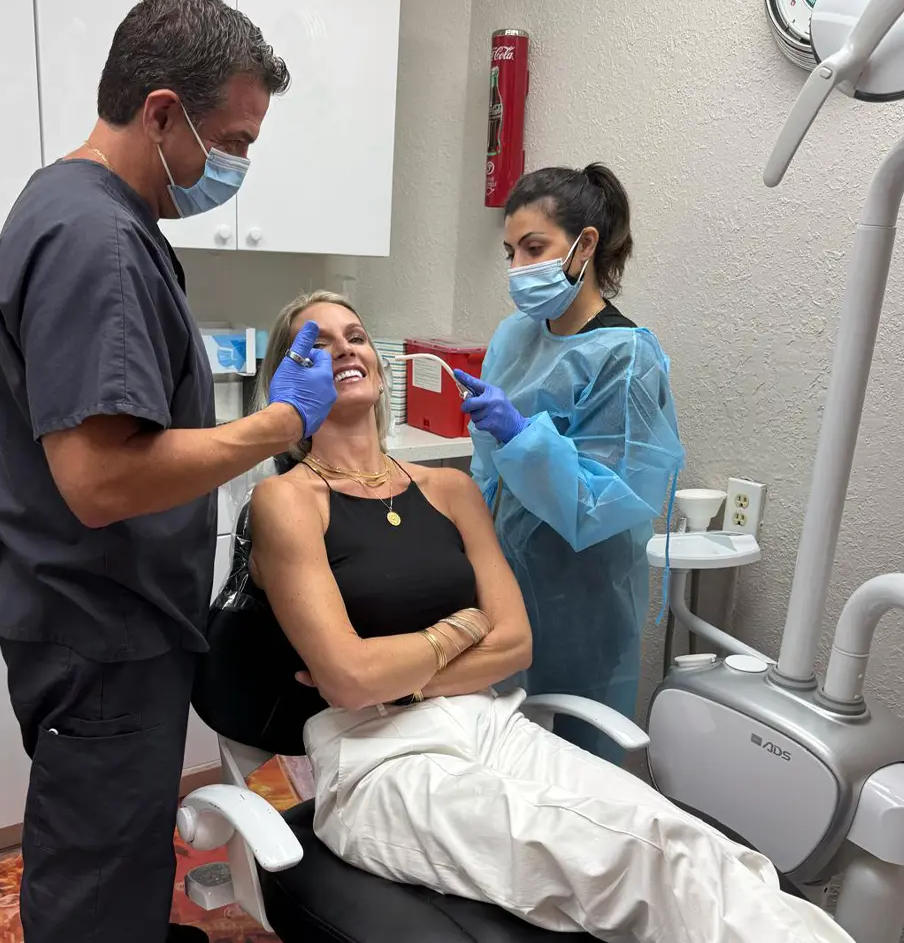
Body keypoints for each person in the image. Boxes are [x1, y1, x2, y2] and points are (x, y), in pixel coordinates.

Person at [229, 289, 850, 942]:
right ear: (287, 377)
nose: (344, 348)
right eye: (316, 343)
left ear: (379, 367)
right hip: (378, 755)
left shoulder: (450, 488)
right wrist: (465, 629)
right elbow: (350, 682)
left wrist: (401, 667)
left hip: (491, 723)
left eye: (354, 335)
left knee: (690, 841)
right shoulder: (287, 500)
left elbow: (516, 641)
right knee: (637, 858)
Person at [0, 0, 337, 943]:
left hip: (105, 623)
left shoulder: (90, 214)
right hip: (101, 628)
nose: (239, 164)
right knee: (94, 870)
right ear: (164, 112)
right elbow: (103, 483)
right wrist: (275, 425)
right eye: (238, 140)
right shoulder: (95, 237)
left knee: (120, 846)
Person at [453, 164, 686, 762]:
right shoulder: (515, 336)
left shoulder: (627, 358)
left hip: (581, 598)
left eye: (535, 248)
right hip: (503, 583)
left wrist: (520, 433)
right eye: (510, 252)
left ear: (584, 245)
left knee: (581, 767)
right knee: (507, 754)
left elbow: (598, 506)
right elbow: (489, 474)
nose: (517, 269)